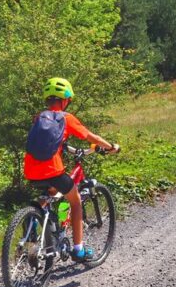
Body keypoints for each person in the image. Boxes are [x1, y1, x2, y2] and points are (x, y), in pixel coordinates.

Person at [23, 77, 119, 261]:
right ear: (65, 99)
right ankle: (79, 250)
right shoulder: (66, 118)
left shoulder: (38, 117)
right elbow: (92, 137)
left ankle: (32, 227)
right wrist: (111, 146)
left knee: (47, 195)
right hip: (53, 170)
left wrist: (64, 146)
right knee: (75, 201)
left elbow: (46, 142)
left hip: (30, 171)